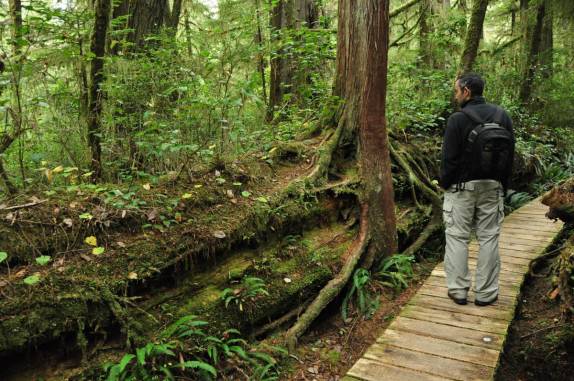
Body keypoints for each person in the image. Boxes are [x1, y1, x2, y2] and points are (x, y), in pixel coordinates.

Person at [440, 73, 514, 306]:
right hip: (493, 186)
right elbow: (511, 155)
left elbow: (449, 159)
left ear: (466, 92)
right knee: (489, 238)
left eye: (456, 91)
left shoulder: (457, 120)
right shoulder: (502, 116)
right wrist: (503, 185)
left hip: (461, 188)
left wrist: (445, 183)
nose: (455, 95)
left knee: (457, 238)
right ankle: (486, 293)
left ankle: (459, 290)